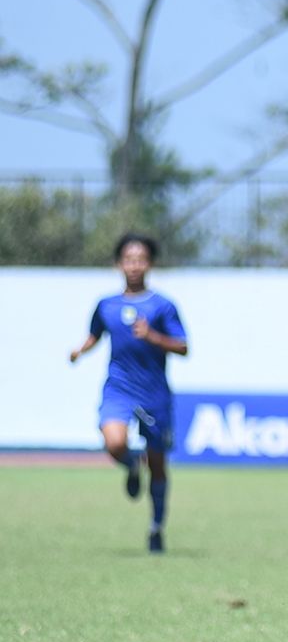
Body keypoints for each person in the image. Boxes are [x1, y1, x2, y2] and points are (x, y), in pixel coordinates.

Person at [68, 233, 188, 554]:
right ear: (119, 264)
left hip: (154, 393)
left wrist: (152, 336)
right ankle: (133, 464)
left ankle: (156, 527)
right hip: (119, 387)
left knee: (159, 465)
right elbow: (95, 334)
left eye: (141, 259)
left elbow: (183, 346)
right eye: (129, 259)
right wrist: (81, 350)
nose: (134, 265)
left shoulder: (162, 306)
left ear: (149, 264)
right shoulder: (107, 305)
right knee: (114, 442)